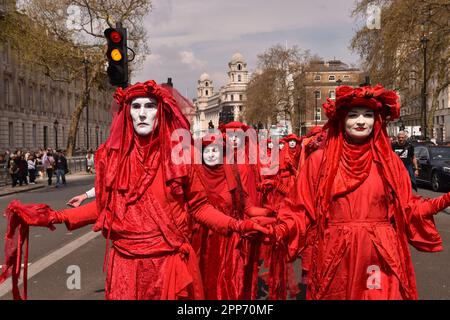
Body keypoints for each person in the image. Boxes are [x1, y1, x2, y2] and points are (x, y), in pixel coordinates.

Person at [0, 80, 268, 300]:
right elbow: (106, 208)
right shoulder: (110, 157)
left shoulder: (181, 156)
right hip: (125, 267)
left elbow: (199, 207)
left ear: (160, 111)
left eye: (150, 106)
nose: (142, 112)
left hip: (168, 267)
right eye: (135, 106)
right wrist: (54, 217)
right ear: (126, 112)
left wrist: (237, 226)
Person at [268, 84, 450, 300]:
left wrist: (442, 201)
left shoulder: (389, 161)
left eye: (368, 115)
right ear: (342, 119)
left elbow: (408, 206)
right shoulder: (319, 161)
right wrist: (278, 229)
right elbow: (300, 209)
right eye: (353, 115)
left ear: (377, 120)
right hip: (335, 255)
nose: (361, 121)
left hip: (380, 255)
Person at [190, 133, 274, 299]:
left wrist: (269, 213)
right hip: (201, 245)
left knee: (229, 289)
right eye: (207, 151)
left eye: (215, 150)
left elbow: (246, 207)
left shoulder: (232, 174)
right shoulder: (193, 178)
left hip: (229, 244)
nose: (211, 154)